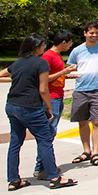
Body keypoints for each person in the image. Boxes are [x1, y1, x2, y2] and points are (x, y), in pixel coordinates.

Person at [0, 33, 78, 190]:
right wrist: (48, 107)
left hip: (12, 106)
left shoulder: (17, 63)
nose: (44, 48)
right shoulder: (41, 63)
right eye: (43, 45)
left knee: (15, 142)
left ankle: (14, 180)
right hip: (30, 107)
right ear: (36, 47)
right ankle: (54, 177)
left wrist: (18, 78)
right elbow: (43, 89)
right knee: (45, 140)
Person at [68, 20, 98, 166]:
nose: (94, 35)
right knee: (82, 122)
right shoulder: (77, 51)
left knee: (96, 121)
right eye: (91, 33)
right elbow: (71, 68)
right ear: (85, 33)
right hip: (81, 90)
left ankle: (95, 152)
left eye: (96, 33)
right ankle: (86, 151)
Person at [32, 30, 77, 180]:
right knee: (47, 134)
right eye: (70, 43)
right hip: (51, 98)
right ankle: (41, 168)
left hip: (58, 96)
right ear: (63, 42)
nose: (70, 46)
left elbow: (55, 75)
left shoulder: (56, 56)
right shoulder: (48, 56)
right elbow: (44, 79)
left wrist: (66, 74)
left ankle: (44, 166)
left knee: (50, 133)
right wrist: (64, 71)